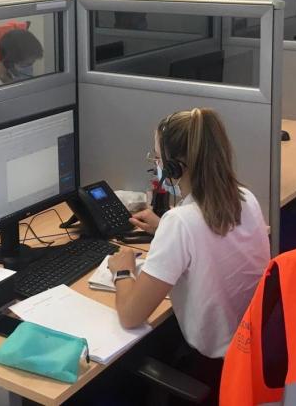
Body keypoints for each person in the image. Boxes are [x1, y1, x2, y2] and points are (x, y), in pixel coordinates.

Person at [107, 108, 270, 402]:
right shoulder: (245, 198)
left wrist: (122, 270)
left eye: (158, 159)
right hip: (248, 351)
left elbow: (131, 315)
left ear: (174, 168)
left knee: (116, 369)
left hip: (212, 370)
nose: (156, 165)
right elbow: (209, 237)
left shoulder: (181, 222)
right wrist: (164, 228)